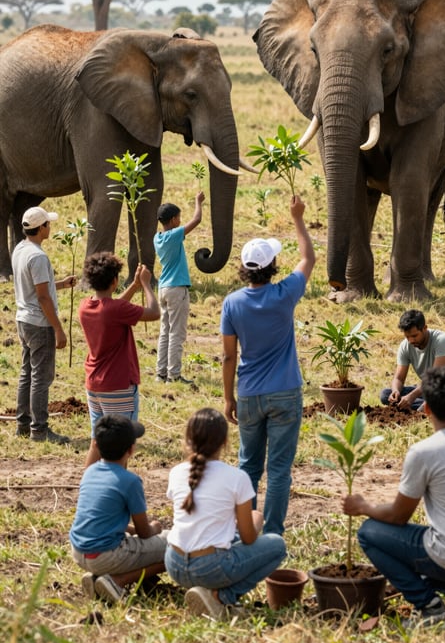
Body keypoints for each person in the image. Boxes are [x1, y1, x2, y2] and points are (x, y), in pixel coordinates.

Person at [343, 366, 445, 627]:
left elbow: (398, 516)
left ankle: (428, 605)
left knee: (369, 533)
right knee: (428, 540)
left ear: (426, 409)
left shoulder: (424, 452)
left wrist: (364, 506)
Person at [221, 195, 315, 536]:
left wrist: (228, 398)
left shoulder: (231, 303)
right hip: (285, 393)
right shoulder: (285, 293)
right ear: (273, 266)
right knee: (278, 469)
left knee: (248, 464)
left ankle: (245, 529)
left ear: (245, 269)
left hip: (248, 394)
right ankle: (272, 532)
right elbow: (308, 258)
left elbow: (229, 356)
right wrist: (298, 218)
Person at [165, 408, 286, 619]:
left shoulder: (176, 472)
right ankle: (222, 597)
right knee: (277, 545)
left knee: (229, 538)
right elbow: (249, 538)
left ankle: (201, 592)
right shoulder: (236, 478)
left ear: (188, 439)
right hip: (209, 568)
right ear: (224, 442)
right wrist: (257, 520)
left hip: (174, 563)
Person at [69, 415, 166, 603]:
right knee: (174, 547)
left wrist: (131, 531)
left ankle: (98, 578)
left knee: (138, 545)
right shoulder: (130, 481)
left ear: (95, 445)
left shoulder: (89, 472)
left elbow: (105, 520)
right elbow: (145, 533)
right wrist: (156, 527)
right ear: (131, 449)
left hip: (79, 553)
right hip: (106, 555)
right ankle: (116, 581)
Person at [78, 253, 160, 467]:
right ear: (115, 281)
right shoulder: (115, 310)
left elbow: (112, 308)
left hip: (94, 385)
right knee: (121, 446)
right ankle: (115, 490)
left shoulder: (85, 306)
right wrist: (146, 285)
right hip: (118, 387)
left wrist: (133, 286)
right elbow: (154, 312)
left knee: (98, 440)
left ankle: (89, 484)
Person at [12, 206, 76, 444]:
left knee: (27, 372)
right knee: (41, 377)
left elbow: (37, 288)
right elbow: (42, 297)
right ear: (41, 229)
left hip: (23, 320)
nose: (51, 227)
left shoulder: (20, 249)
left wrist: (61, 284)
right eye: (48, 224)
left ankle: (23, 425)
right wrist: (58, 329)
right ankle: (39, 429)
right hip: (39, 324)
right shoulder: (38, 257)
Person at [380, 308, 445, 413]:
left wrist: (412, 396)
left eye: (414, 336)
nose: (411, 340)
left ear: (424, 328)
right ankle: (433, 405)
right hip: (429, 389)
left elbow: (435, 378)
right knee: (385, 394)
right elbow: (399, 378)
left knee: (431, 403)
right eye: (407, 337)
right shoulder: (405, 346)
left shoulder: (442, 340)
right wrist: (395, 391)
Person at [154, 192, 204, 384]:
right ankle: (173, 375)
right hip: (176, 289)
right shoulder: (174, 236)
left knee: (165, 331)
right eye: (179, 218)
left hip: (163, 288)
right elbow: (197, 219)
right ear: (174, 220)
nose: (180, 221)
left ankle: (161, 374)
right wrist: (197, 202)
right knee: (177, 333)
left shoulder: (157, 238)